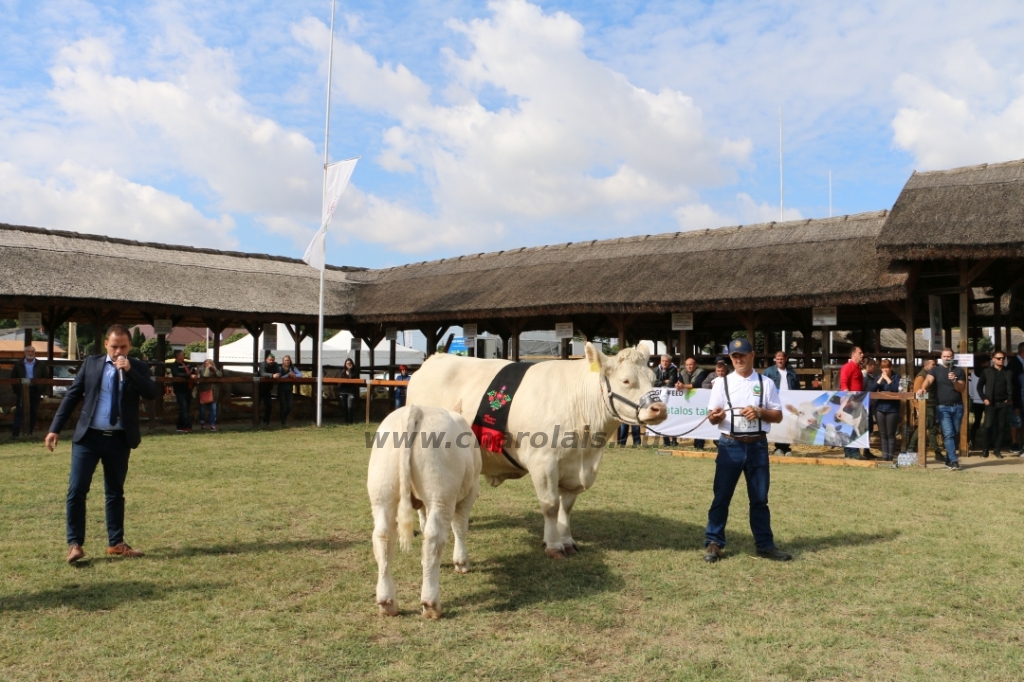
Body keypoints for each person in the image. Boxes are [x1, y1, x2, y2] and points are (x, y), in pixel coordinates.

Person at [45, 324, 159, 564]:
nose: (119, 351)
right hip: (89, 438)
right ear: (106, 343)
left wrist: (130, 371)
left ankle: (116, 543)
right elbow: (73, 395)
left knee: (115, 492)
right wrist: (55, 428)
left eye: (124, 347)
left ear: (130, 347)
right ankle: (74, 544)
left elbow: (151, 393)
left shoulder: (137, 366)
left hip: (119, 439)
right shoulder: (92, 363)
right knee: (77, 490)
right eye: (115, 346)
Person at [703, 338, 790, 563]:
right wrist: (717, 416)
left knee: (760, 499)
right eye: (734, 356)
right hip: (730, 445)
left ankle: (765, 545)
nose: (738, 359)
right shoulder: (721, 384)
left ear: (752, 355)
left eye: (742, 355)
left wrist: (760, 412)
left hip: (758, 446)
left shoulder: (767, 383)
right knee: (721, 496)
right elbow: (712, 418)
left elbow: (778, 415)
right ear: (731, 358)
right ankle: (714, 542)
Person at [918, 348, 967, 470]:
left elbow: (961, 389)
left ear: (953, 357)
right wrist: (923, 388)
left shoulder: (959, 371)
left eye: (949, 356)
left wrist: (954, 380)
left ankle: (948, 459)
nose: (947, 358)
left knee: (954, 434)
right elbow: (928, 380)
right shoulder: (935, 370)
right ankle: (954, 461)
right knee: (948, 433)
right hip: (942, 407)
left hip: (957, 407)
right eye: (945, 356)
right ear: (941, 357)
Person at [839, 346, 874, 460]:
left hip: (857, 402)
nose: (862, 354)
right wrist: (848, 399)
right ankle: (851, 452)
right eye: (860, 353)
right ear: (854, 355)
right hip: (851, 402)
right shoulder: (848, 367)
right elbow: (844, 383)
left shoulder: (858, 368)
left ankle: (852, 452)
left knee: (857, 426)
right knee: (851, 427)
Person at [761, 351, 799, 455]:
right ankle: (778, 447)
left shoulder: (792, 373)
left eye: (781, 359)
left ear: (786, 359)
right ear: (775, 359)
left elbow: (797, 388)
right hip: (775, 401)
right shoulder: (768, 372)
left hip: (788, 402)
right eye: (777, 359)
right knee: (776, 424)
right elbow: (762, 386)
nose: (780, 361)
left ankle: (786, 447)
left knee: (787, 424)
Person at [977, 350, 1013, 459]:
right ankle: (985, 450)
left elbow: (1012, 386)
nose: (1001, 360)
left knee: (1001, 428)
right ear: (993, 359)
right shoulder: (987, 371)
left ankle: (997, 450)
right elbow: (979, 387)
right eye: (998, 358)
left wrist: (1009, 398)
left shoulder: (1008, 372)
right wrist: (984, 398)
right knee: (988, 427)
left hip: (1003, 404)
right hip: (991, 404)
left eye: (1003, 358)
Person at [10, 345, 50, 438]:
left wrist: (41, 388)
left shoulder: (41, 364)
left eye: (32, 351)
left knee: (33, 411)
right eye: (28, 351)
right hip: (22, 390)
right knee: (19, 411)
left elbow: (46, 377)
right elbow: (13, 378)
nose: (30, 353)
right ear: (25, 353)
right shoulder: (18, 364)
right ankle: (15, 434)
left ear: (34, 353)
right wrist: (17, 390)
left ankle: (29, 432)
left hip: (35, 389)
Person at [907, 358, 942, 460]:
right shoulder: (921, 377)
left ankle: (911, 448)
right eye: (933, 365)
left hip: (930, 405)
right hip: (926, 407)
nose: (935, 366)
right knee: (929, 428)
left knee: (927, 428)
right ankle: (936, 452)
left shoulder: (929, 375)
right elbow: (916, 395)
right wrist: (918, 409)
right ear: (926, 366)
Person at [676, 357, 710, 450]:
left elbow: (699, 384)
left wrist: (683, 386)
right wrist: (678, 385)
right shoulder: (682, 372)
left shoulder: (701, 372)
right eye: (687, 365)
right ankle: (674, 442)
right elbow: (679, 382)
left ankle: (699, 445)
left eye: (691, 364)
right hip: (686, 403)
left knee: (699, 422)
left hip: (699, 401)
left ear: (695, 365)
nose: (689, 367)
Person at [873, 360, 901, 461]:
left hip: (892, 409)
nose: (885, 370)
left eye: (887, 367)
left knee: (891, 434)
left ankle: (891, 456)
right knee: (883, 434)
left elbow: (895, 389)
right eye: (883, 368)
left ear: (891, 368)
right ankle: (885, 456)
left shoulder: (897, 377)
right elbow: (872, 389)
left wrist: (887, 379)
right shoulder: (878, 377)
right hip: (880, 408)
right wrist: (880, 379)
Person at [169, 350, 196, 433]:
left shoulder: (187, 364)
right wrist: (189, 376)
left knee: (185, 409)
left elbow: (192, 370)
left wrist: (193, 373)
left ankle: (180, 426)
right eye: (182, 354)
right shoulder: (174, 365)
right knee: (184, 407)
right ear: (178, 356)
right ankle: (187, 426)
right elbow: (177, 374)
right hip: (180, 389)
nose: (183, 355)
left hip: (188, 388)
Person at [196, 358, 223, 432]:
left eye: (208, 363)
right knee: (202, 410)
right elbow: (205, 375)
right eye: (206, 363)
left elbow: (220, 375)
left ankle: (212, 425)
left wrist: (214, 369)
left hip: (214, 393)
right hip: (204, 392)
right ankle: (202, 424)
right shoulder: (202, 370)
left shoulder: (215, 371)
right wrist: (207, 368)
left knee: (213, 410)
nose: (207, 364)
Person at [1007, 342, 1024, 453]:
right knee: (1016, 421)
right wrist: (1013, 400)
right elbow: (1011, 384)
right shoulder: (1013, 364)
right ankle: (1014, 444)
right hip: (1016, 397)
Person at [277, 355, 302, 426]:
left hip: (289, 390)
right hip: (281, 390)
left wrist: (294, 375)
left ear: (290, 361)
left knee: (289, 406)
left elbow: (300, 374)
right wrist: (287, 375)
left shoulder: (293, 368)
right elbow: (279, 377)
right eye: (285, 360)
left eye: (288, 360)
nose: (287, 361)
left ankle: (283, 418)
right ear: (283, 361)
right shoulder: (280, 368)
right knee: (283, 406)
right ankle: (283, 422)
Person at [968, 357, 987, 448]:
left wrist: (973, 397)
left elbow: (970, 388)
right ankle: (987, 442)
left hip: (976, 400)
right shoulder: (988, 372)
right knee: (989, 422)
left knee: (977, 422)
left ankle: (972, 440)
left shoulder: (973, 373)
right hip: (987, 400)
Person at [259, 352, 281, 426]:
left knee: (269, 405)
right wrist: (272, 375)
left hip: (267, 389)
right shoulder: (262, 364)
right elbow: (262, 373)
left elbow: (279, 372)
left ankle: (266, 421)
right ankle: (256, 421)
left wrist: (277, 374)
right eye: (270, 360)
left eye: (273, 360)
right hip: (258, 388)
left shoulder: (276, 364)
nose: (271, 361)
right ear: (266, 359)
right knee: (257, 405)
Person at [339, 357, 359, 424]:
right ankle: (346, 421)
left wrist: (350, 370)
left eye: (350, 363)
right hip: (343, 391)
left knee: (350, 406)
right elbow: (340, 381)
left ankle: (350, 421)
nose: (348, 364)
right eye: (347, 363)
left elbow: (351, 378)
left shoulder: (354, 371)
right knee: (344, 407)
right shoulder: (342, 372)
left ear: (352, 364)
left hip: (351, 391)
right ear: (345, 364)